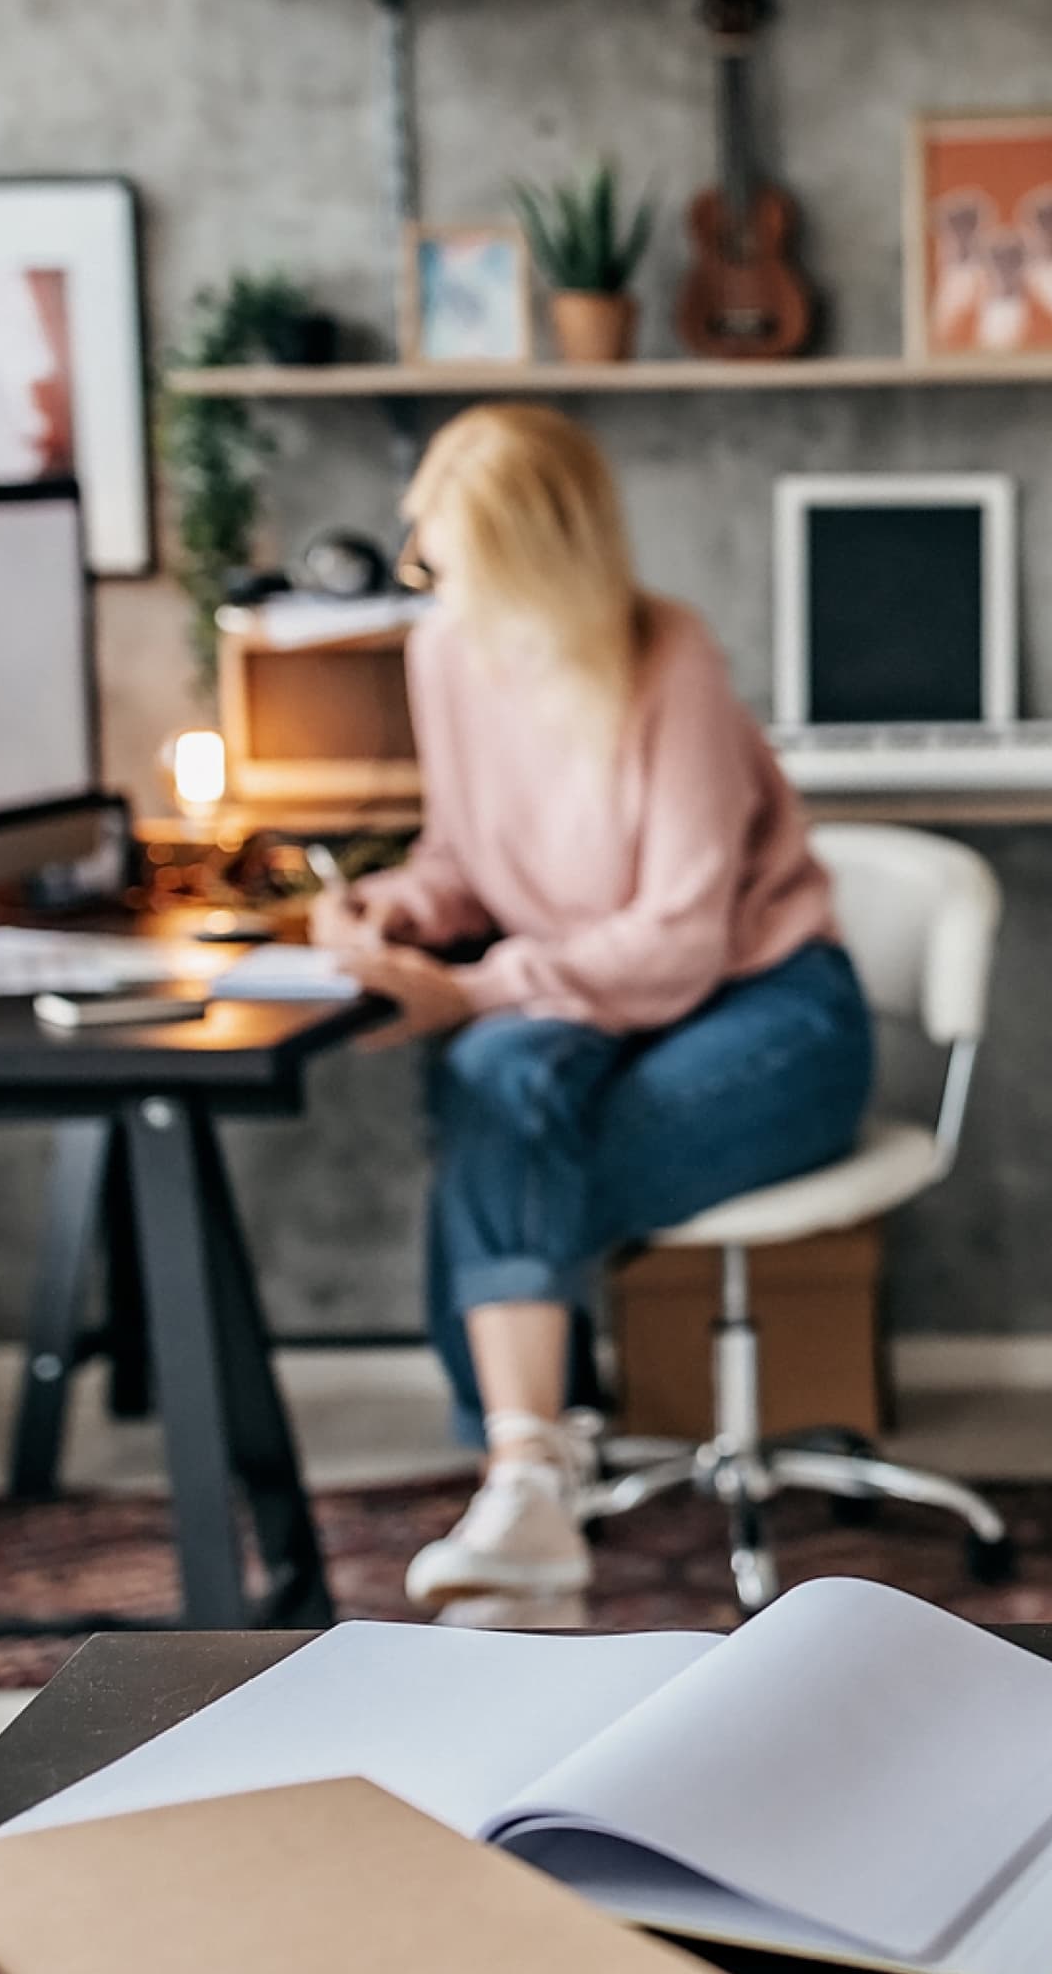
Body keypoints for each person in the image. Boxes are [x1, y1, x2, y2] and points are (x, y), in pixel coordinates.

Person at [318, 403, 872, 1617]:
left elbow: (678, 943)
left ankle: (525, 1478)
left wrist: (465, 989)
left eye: (453, 562)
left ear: (539, 557)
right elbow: (467, 855)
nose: (434, 587)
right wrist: (394, 911)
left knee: (505, 1138)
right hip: (596, 998)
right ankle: (530, 1476)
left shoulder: (667, 655)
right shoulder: (444, 653)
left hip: (770, 1010)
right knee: (499, 1085)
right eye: (427, 559)